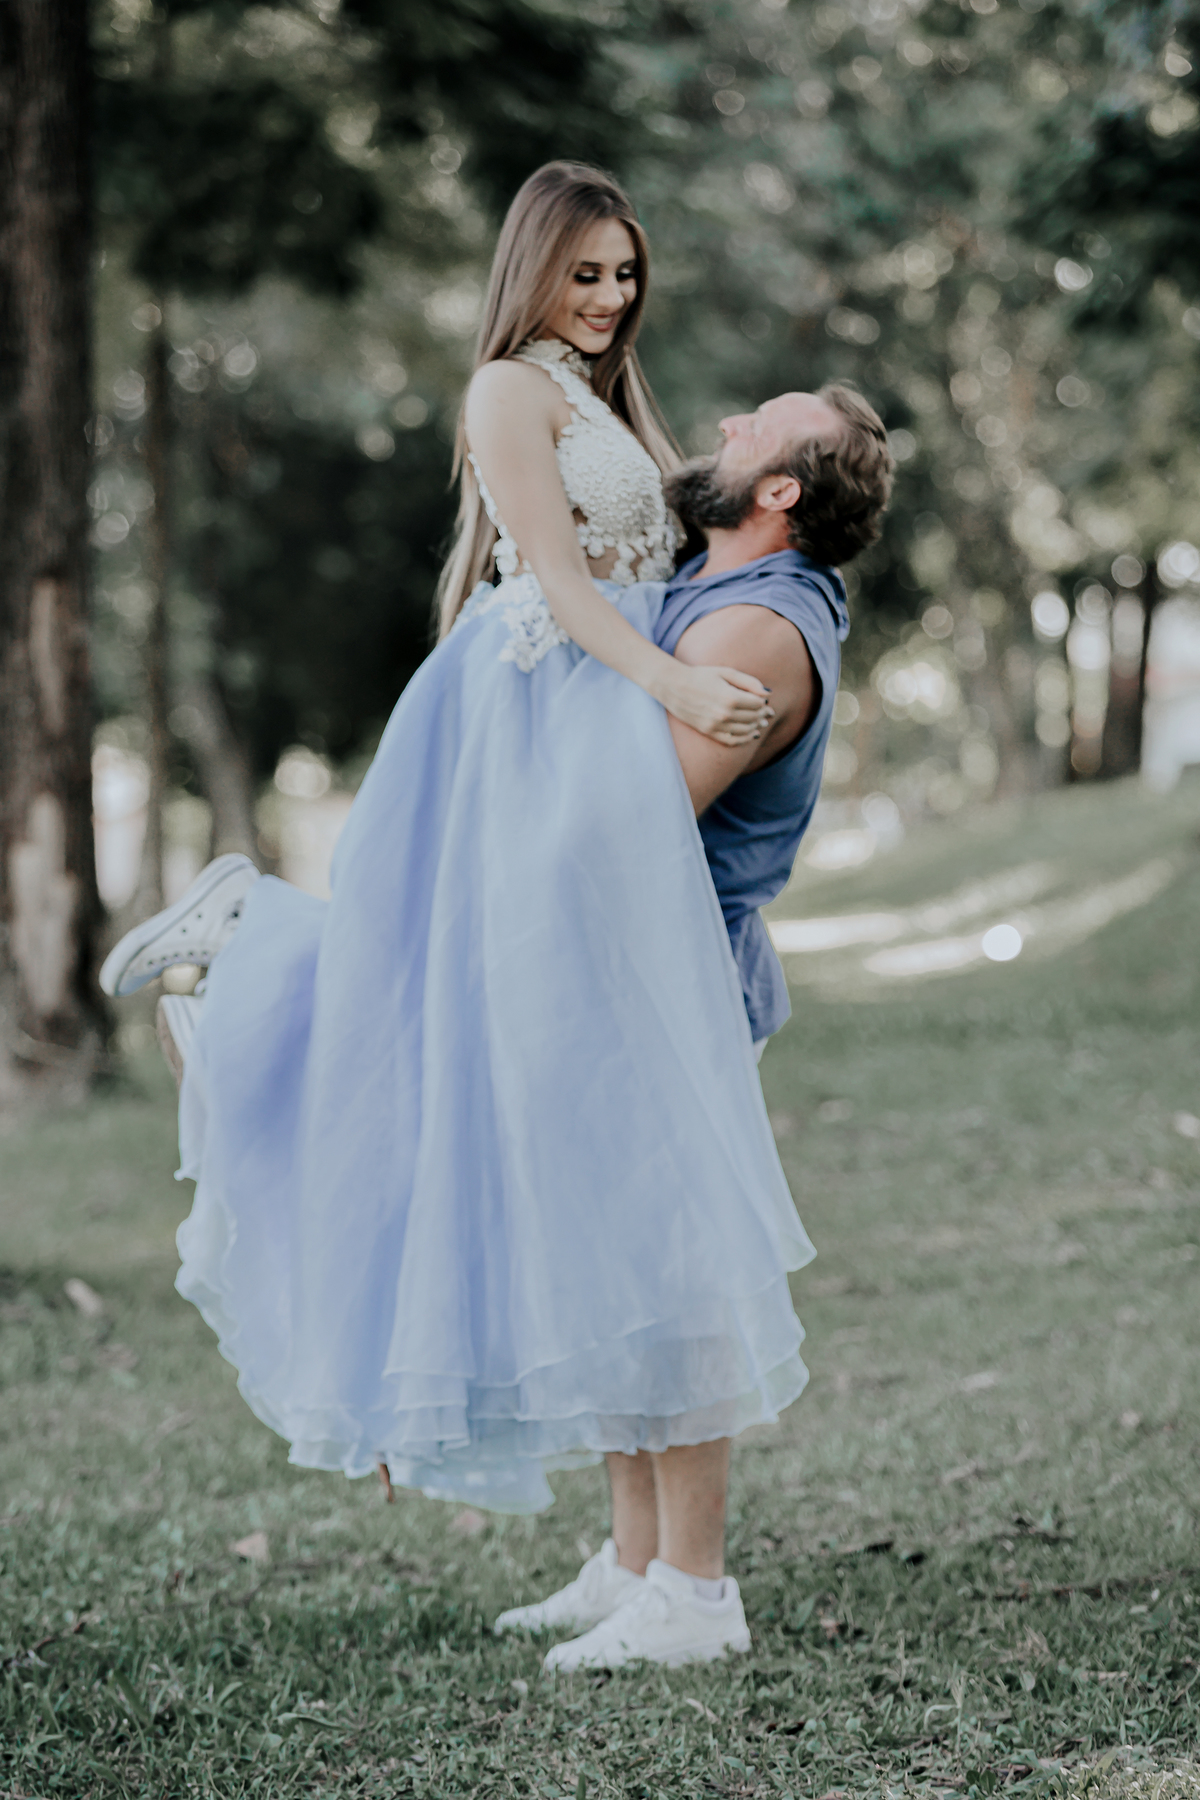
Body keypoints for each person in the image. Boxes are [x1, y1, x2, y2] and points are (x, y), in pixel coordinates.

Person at [99, 161, 892, 1670]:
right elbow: (567, 583)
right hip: (550, 707)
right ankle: (257, 963)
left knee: (641, 1229)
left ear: (782, 493)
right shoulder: (523, 402)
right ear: (533, 270)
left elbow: (637, 784)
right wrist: (658, 677)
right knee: (527, 1123)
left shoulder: (742, 598)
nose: (612, 300)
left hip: (604, 801)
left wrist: (667, 679)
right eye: (586, 273)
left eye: (622, 276)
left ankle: (684, 1587)